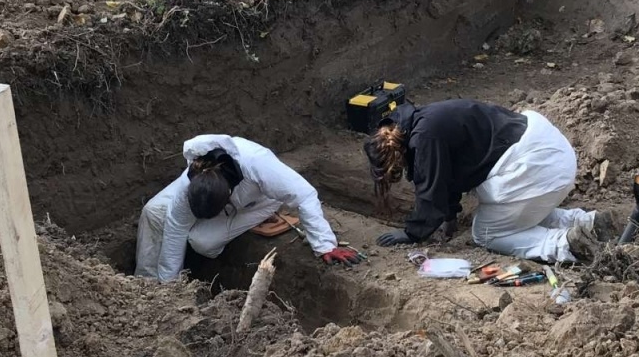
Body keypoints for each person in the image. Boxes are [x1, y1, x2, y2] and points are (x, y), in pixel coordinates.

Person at [364, 99, 614, 264]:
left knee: (487, 231)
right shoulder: (425, 120)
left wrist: (412, 233)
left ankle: (565, 245)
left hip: (536, 166)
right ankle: (587, 222)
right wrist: (449, 217)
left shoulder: (424, 141)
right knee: (512, 212)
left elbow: (431, 191)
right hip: (550, 150)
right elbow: (445, 178)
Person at [136, 134, 361, 283]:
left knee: (202, 241)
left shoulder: (258, 164)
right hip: (215, 195)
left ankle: (251, 217)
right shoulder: (191, 180)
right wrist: (169, 287)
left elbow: (304, 195)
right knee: (153, 212)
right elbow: (176, 228)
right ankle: (144, 287)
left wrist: (325, 245)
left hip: (260, 200)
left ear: (226, 199)